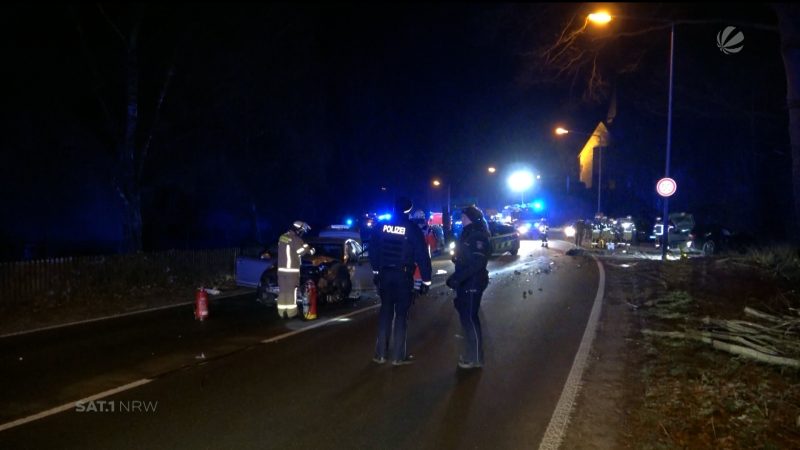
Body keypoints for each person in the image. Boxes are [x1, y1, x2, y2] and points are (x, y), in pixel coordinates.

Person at [369, 197, 432, 366]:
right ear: (408, 210)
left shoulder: (380, 226)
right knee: (401, 315)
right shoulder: (412, 228)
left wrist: (376, 271)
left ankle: (380, 354)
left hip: (384, 275)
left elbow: (373, 250)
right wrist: (426, 281)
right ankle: (398, 356)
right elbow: (422, 256)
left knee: (385, 312)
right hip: (403, 276)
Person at [446, 205, 491, 370]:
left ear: (471, 219)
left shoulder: (477, 236)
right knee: (466, 318)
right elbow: (467, 258)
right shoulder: (468, 233)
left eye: (464, 217)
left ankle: (476, 358)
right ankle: (470, 354)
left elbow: (477, 263)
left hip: (473, 282)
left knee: (471, 320)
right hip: (466, 281)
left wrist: (456, 278)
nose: (461, 220)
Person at [277, 221, 314, 319]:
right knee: (291, 292)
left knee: (283, 291)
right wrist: (307, 247)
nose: (302, 233)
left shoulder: (282, 237)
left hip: (281, 270)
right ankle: (291, 313)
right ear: (298, 229)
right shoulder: (295, 239)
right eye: (302, 231)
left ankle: (281, 312)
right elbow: (300, 252)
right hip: (291, 271)